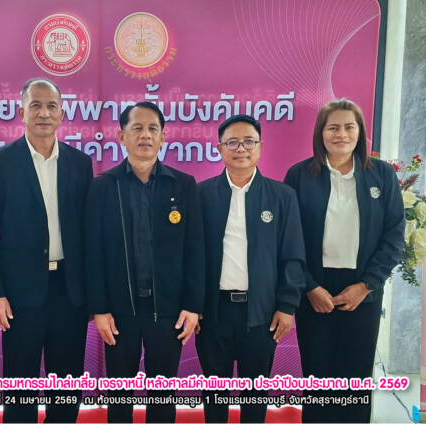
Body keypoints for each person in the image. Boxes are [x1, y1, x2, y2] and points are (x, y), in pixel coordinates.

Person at [0, 78, 92, 423]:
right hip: (18, 295)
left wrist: (93, 295)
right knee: (20, 387)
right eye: (36, 105)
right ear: (21, 112)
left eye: (51, 106)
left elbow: (88, 233)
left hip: (69, 292)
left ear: (62, 113)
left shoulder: (80, 162)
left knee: (67, 387)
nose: (44, 113)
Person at [284, 98, 405, 422]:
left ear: (360, 132)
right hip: (315, 290)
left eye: (349, 127)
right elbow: (288, 238)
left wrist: (367, 285)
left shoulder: (381, 175)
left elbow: (394, 234)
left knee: (356, 378)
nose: (342, 134)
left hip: (362, 289)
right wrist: (310, 287)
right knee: (318, 377)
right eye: (333, 127)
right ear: (320, 133)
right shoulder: (299, 175)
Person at [86, 101, 204, 423]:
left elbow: (195, 250)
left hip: (168, 312)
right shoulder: (103, 185)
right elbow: (93, 253)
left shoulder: (183, 185)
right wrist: (99, 309)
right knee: (119, 397)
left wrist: (193, 305)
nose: (145, 135)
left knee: (163, 399)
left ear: (163, 137)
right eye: (137, 128)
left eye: (153, 128)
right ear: (121, 136)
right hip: (119, 312)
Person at [195, 114, 305, 423]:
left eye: (248, 142)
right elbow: (190, 256)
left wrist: (287, 305)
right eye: (232, 142)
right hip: (213, 313)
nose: (241, 148)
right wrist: (192, 305)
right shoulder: (201, 195)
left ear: (260, 146)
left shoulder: (282, 196)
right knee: (214, 393)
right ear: (219, 148)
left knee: (255, 395)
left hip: (261, 314)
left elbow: (293, 255)